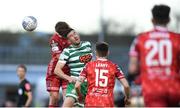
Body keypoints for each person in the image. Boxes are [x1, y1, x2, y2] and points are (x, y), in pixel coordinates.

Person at [128, 4, 180, 107]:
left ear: (152, 20)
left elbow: (133, 69)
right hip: (175, 89)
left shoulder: (140, 39)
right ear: (168, 20)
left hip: (153, 89)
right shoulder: (177, 39)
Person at [74, 42, 130, 107]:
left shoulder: (88, 66)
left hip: (91, 103)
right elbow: (126, 86)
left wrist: (80, 96)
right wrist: (127, 98)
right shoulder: (114, 66)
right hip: (107, 103)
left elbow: (77, 85)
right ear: (108, 52)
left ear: (95, 52)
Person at [54, 28, 92, 107]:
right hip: (76, 83)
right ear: (68, 41)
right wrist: (69, 78)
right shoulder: (67, 51)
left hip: (91, 84)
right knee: (66, 105)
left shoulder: (87, 44)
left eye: (75, 33)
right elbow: (57, 70)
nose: (75, 36)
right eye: (71, 36)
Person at [46, 22, 71, 107]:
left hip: (67, 71)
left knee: (67, 97)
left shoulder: (71, 36)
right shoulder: (54, 39)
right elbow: (59, 56)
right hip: (54, 71)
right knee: (54, 97)